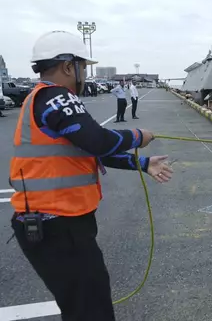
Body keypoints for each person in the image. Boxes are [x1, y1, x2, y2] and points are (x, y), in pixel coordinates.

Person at [7, 30, 174, 321]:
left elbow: (91, 149)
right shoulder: (56, 97)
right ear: (68, 66)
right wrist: (139, 136)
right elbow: (98, 140)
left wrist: (144, 163)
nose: (84, 74)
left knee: (82, 307)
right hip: (58, 226)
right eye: (83, 67)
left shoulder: (41, 99)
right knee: (91, 312)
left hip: (52, 224)